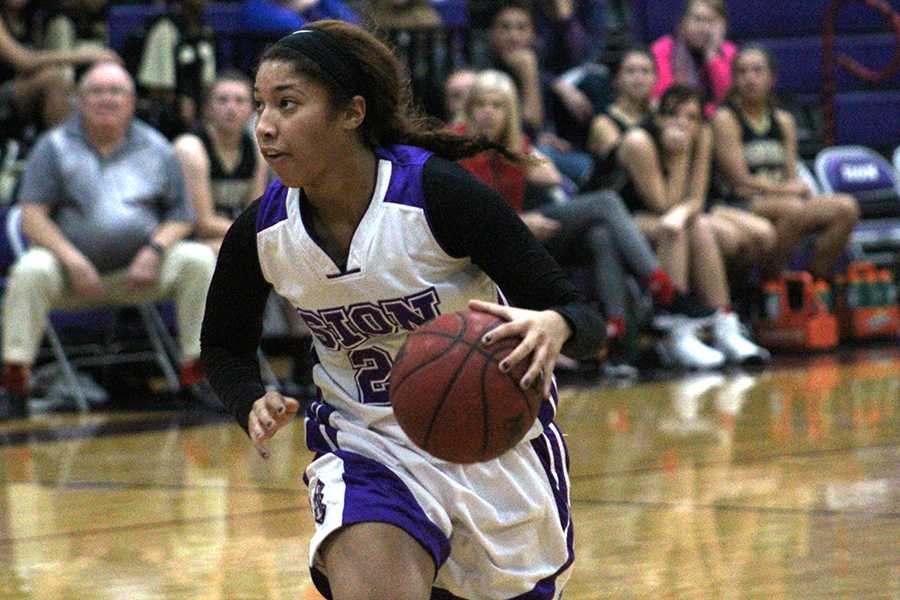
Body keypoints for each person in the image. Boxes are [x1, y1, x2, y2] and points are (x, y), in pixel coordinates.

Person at [200, 21, 605, 599]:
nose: (264, 126)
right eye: (261, 105)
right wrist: (249, 398)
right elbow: (222, 342)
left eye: (287, 104)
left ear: (351, 113)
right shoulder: (263, 232)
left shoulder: (437, 197)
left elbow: (582, 317)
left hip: (495, 449)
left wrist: (556, 324)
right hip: (369, 448)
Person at [458, 69, 715, 375]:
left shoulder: (515, 143)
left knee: (601, 235)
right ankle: (663, 290)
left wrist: (528, 161)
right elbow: (469, 215)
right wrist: (522, 219)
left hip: (522, 235)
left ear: (510, 111)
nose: (488, 113)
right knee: (605, 202)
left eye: (497, 105)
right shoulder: (458, 146)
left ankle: (615, 335)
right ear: (469, 109)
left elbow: (552, 175)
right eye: (481, 105)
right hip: (489, 243)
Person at [0, 61, 217, 420]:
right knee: (30, 269)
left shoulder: (156, 147)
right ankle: (15, 385)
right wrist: (71, 259)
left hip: (138, 274)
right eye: (96, 91)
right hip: (71, 277)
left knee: (197, 259)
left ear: (131, 101)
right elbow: (31, 216)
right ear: (79, 101)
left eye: (115, 92)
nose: (106, 99)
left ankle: (196, 377)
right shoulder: (53, 147)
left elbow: (182, 217)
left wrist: (154, 250)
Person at [617, 84, 770, 367]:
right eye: (673, 115)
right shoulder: (640, 140)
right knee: (674, 229)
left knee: (695, 224)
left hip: (666, 216)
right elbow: (661, 203)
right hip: (621, 220)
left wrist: (683, 212)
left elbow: (696, 200)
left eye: (692, 117)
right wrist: (679, 156)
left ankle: (723, 324)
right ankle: (676, 332)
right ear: (658, 117)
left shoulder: (702, 135)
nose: (683, 123)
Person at [711, 45, 859, 281]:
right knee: (793, 206)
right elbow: (738, 181)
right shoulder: (725, 118)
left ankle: (815, 280)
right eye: (742, 72)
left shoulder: (784, 121)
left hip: (783, 198)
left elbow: (791, 174)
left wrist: (792, 188)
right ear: (734, 79)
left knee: (846, 208)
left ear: (771, 77)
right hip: (740, 202)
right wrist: (786, 190)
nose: (750, 78)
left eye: (757, 71)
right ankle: (771, 280)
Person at [174, 71, 268, 253]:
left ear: (252, 109)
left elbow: (254, 213)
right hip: (191, 243)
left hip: (233, 237)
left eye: (239, 101)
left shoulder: (257, 148)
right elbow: (203, 224)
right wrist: (251, 237)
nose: (231, 108)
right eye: (223, 100)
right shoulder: (191, 148)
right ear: (208, 108)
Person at [0, 0, 118, 140]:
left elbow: (40, 59)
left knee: (70, 85)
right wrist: (85, 55)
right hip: (5, 92)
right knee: (52, 80)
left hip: (22, 87)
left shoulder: (32, 16)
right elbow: (24, 61)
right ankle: (68, 153)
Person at [135, 0, 217, 138]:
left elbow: (209, 81)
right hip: (169, 117)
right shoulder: (164, 29)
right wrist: (180, 102)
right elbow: (156, 86)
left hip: (201, 109)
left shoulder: (205, 30)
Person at [584, 47, 657, 191]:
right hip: (608, 198)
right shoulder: (603, 123)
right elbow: (627, 169)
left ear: (655, 78)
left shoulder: (657, 115)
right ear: (617, 78)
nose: (639, 78)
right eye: (630, 71)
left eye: (645, 71)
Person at [651, 0, 736, 118]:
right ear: (683, 22)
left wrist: (711, 56)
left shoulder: (729, 52)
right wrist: (709, 111)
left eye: (711, 21)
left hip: (715, 123)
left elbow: (728, 101)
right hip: (674, 119)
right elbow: (665, 98)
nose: (703, 28)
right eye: (697, 19)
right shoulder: (664, 48)